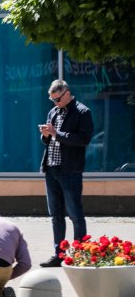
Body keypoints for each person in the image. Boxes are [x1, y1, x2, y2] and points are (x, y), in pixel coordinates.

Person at [38, 79, 94, 267]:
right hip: (51, 169)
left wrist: (56, 134)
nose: (55, 103)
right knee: (56, 215)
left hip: (70, 170)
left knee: (75, 214)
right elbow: (49, 140)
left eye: (58, 99)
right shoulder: (53, 112)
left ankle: (80, 254)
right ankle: (59, 254)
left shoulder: (82, 112)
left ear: (67, 94)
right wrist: (45, 135)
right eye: (52, 100)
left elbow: (83, 139)